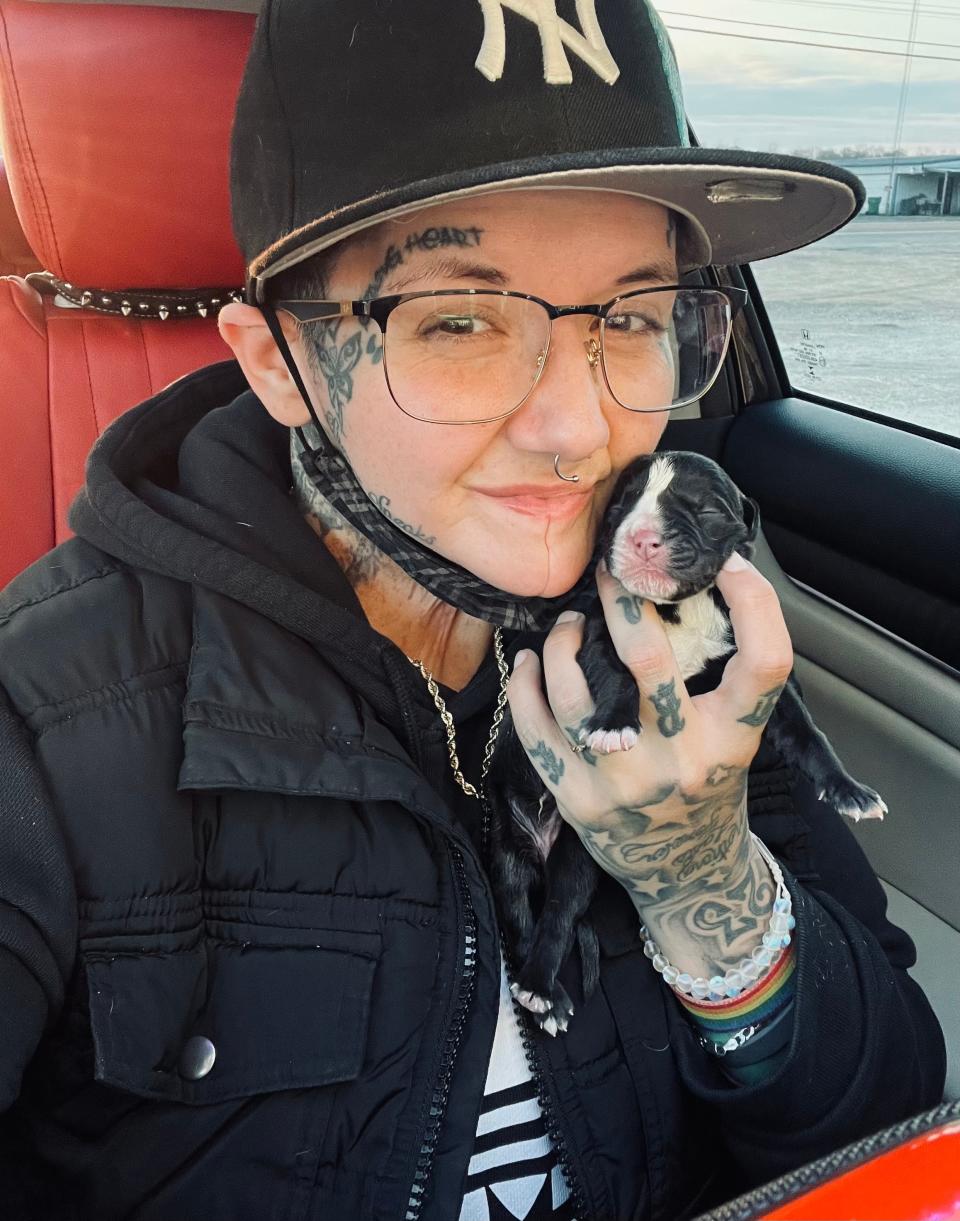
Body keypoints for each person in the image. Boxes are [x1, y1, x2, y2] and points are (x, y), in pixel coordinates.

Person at [0, 1, 945, 1219]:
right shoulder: (49, 714)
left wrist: (702, 874)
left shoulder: (679, 627)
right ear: (276, 360)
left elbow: (886, 1137)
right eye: (457, 320)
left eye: (632, 317)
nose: (577, 432)